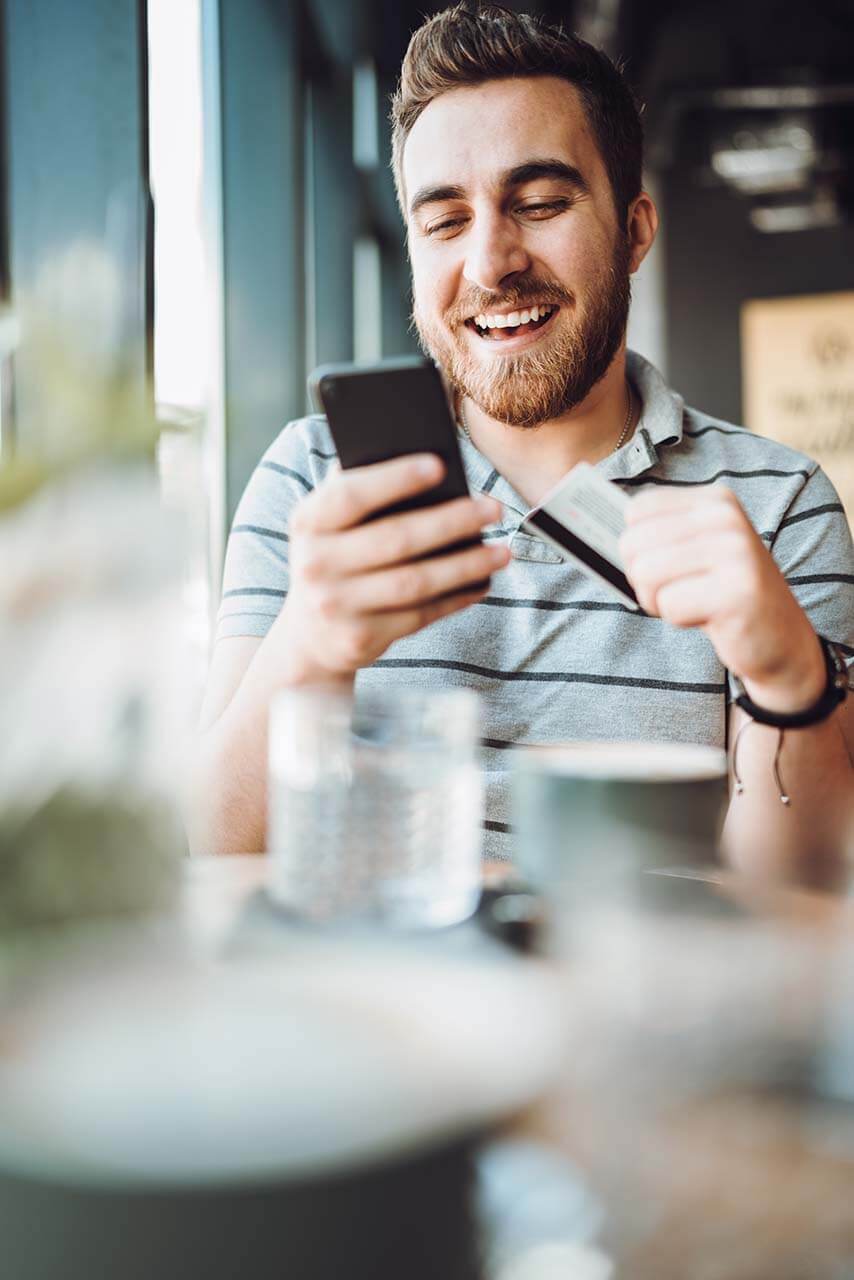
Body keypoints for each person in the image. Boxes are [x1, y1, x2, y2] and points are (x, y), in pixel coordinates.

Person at [192, 4, 854, 876]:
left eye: (539, 204)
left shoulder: (779, 503)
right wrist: (309, 647)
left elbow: (797, 897)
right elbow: (204, 857)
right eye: (444, 223)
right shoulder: (312, 477)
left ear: (635, 233)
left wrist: (787, 682)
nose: (490, 262)